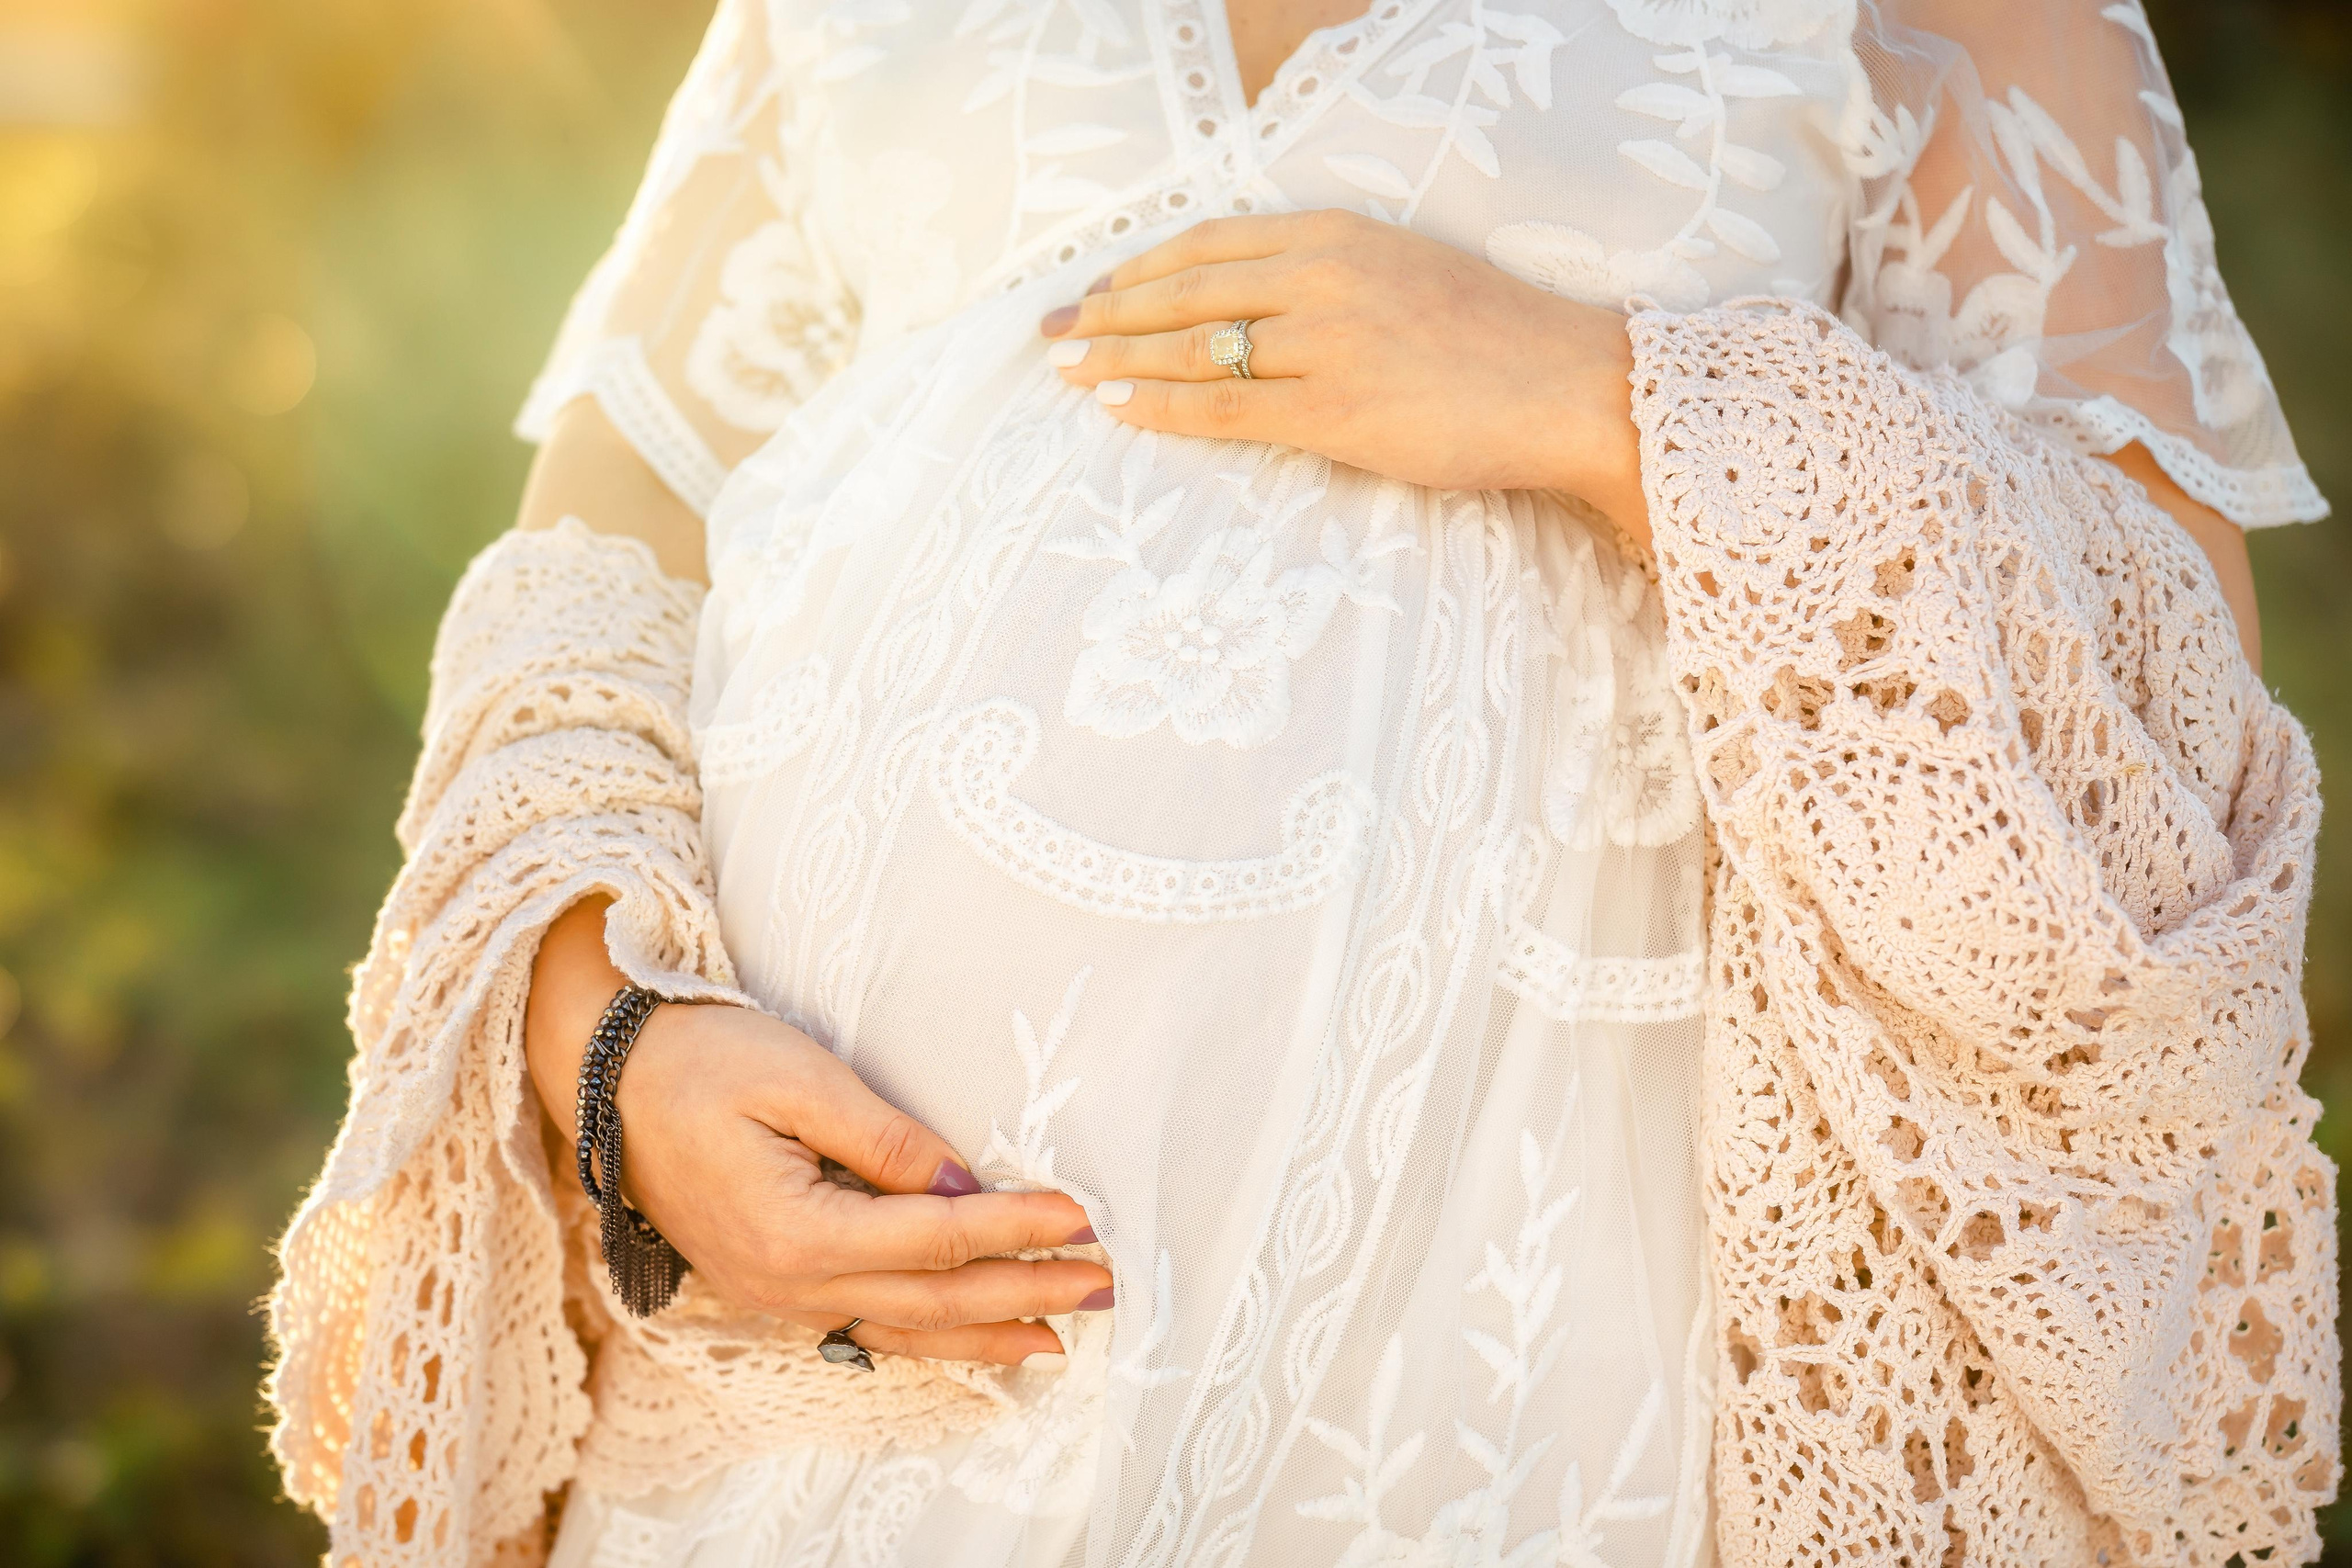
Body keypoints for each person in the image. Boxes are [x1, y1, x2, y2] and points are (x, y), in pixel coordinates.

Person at [268, 1, 2332, 1564]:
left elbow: (2170, 682)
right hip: (817, 1373)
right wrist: (603, 1037)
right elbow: (607, 532)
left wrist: (1607, 401)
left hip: (1528, 1376)